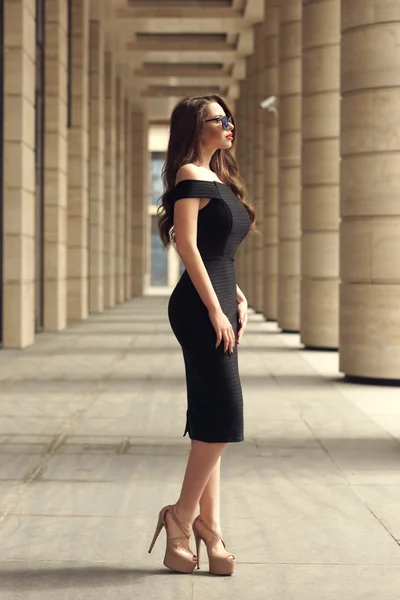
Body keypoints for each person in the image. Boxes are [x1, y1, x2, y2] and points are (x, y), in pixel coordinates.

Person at [148, 95, 256, 576]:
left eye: (229, 118)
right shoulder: (190, 175)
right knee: (225, 414)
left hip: (218, 300)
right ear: (197, 127)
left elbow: (220, 249)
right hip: (197, 307)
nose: (229, 125)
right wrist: (215, 307)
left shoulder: (221, 179)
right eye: (219, 120)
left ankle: (211, 529)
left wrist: (238, 296)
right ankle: (180, 517)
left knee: (212, 416)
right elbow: (187, 244)